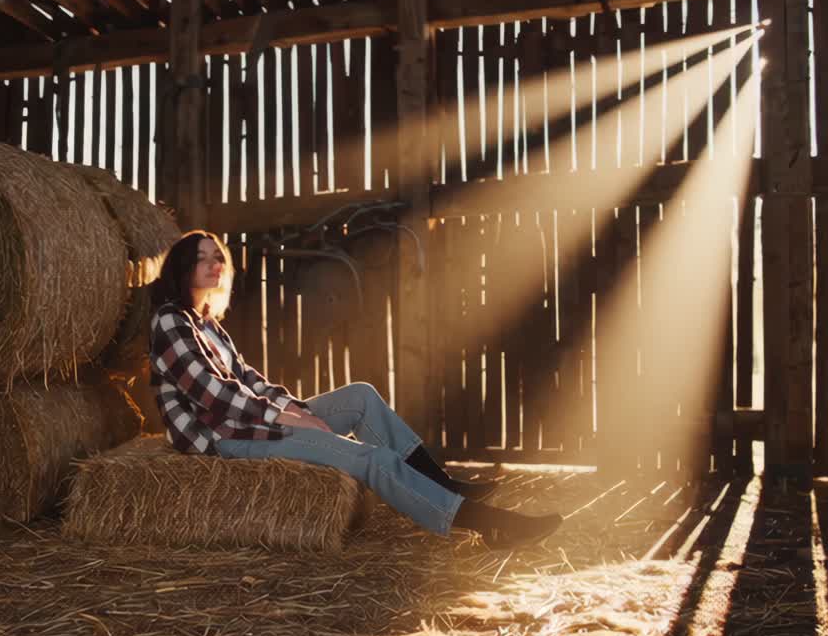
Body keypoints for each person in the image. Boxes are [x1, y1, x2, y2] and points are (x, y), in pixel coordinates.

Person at [148, 230, 562, 546]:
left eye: (217, 255)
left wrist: (294, 407)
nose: (213, 263)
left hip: (248, 421)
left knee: (361, 395)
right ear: (181, 268)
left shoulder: (208, 325)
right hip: (222, 438)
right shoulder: (171, 321)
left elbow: (249, 380)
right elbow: (213, 394)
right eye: (200, 258)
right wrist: (285, 415)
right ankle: (487, 524)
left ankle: (443, 483)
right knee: (367, 458)